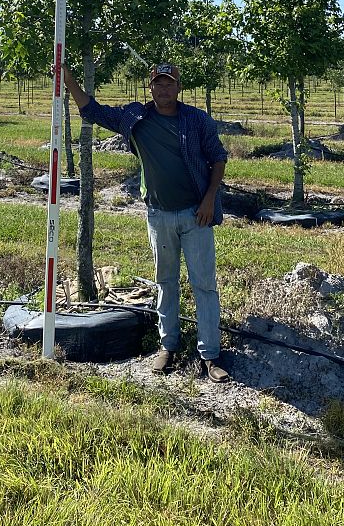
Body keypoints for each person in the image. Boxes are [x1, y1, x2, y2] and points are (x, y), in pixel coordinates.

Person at [62, 61, 230, 382]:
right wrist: (69, 82)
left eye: (169, 84)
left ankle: (210, 355)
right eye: (158, 84)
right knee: (165, 282)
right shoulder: (135, 118)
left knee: (204, 284)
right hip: (159, 215)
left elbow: (218, 157)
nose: (163, 89)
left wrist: (209, 199)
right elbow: (93, 110)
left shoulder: (196, 120)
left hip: (197, 214)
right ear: (149, 87)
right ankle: (168, 345)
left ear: (178, 88)